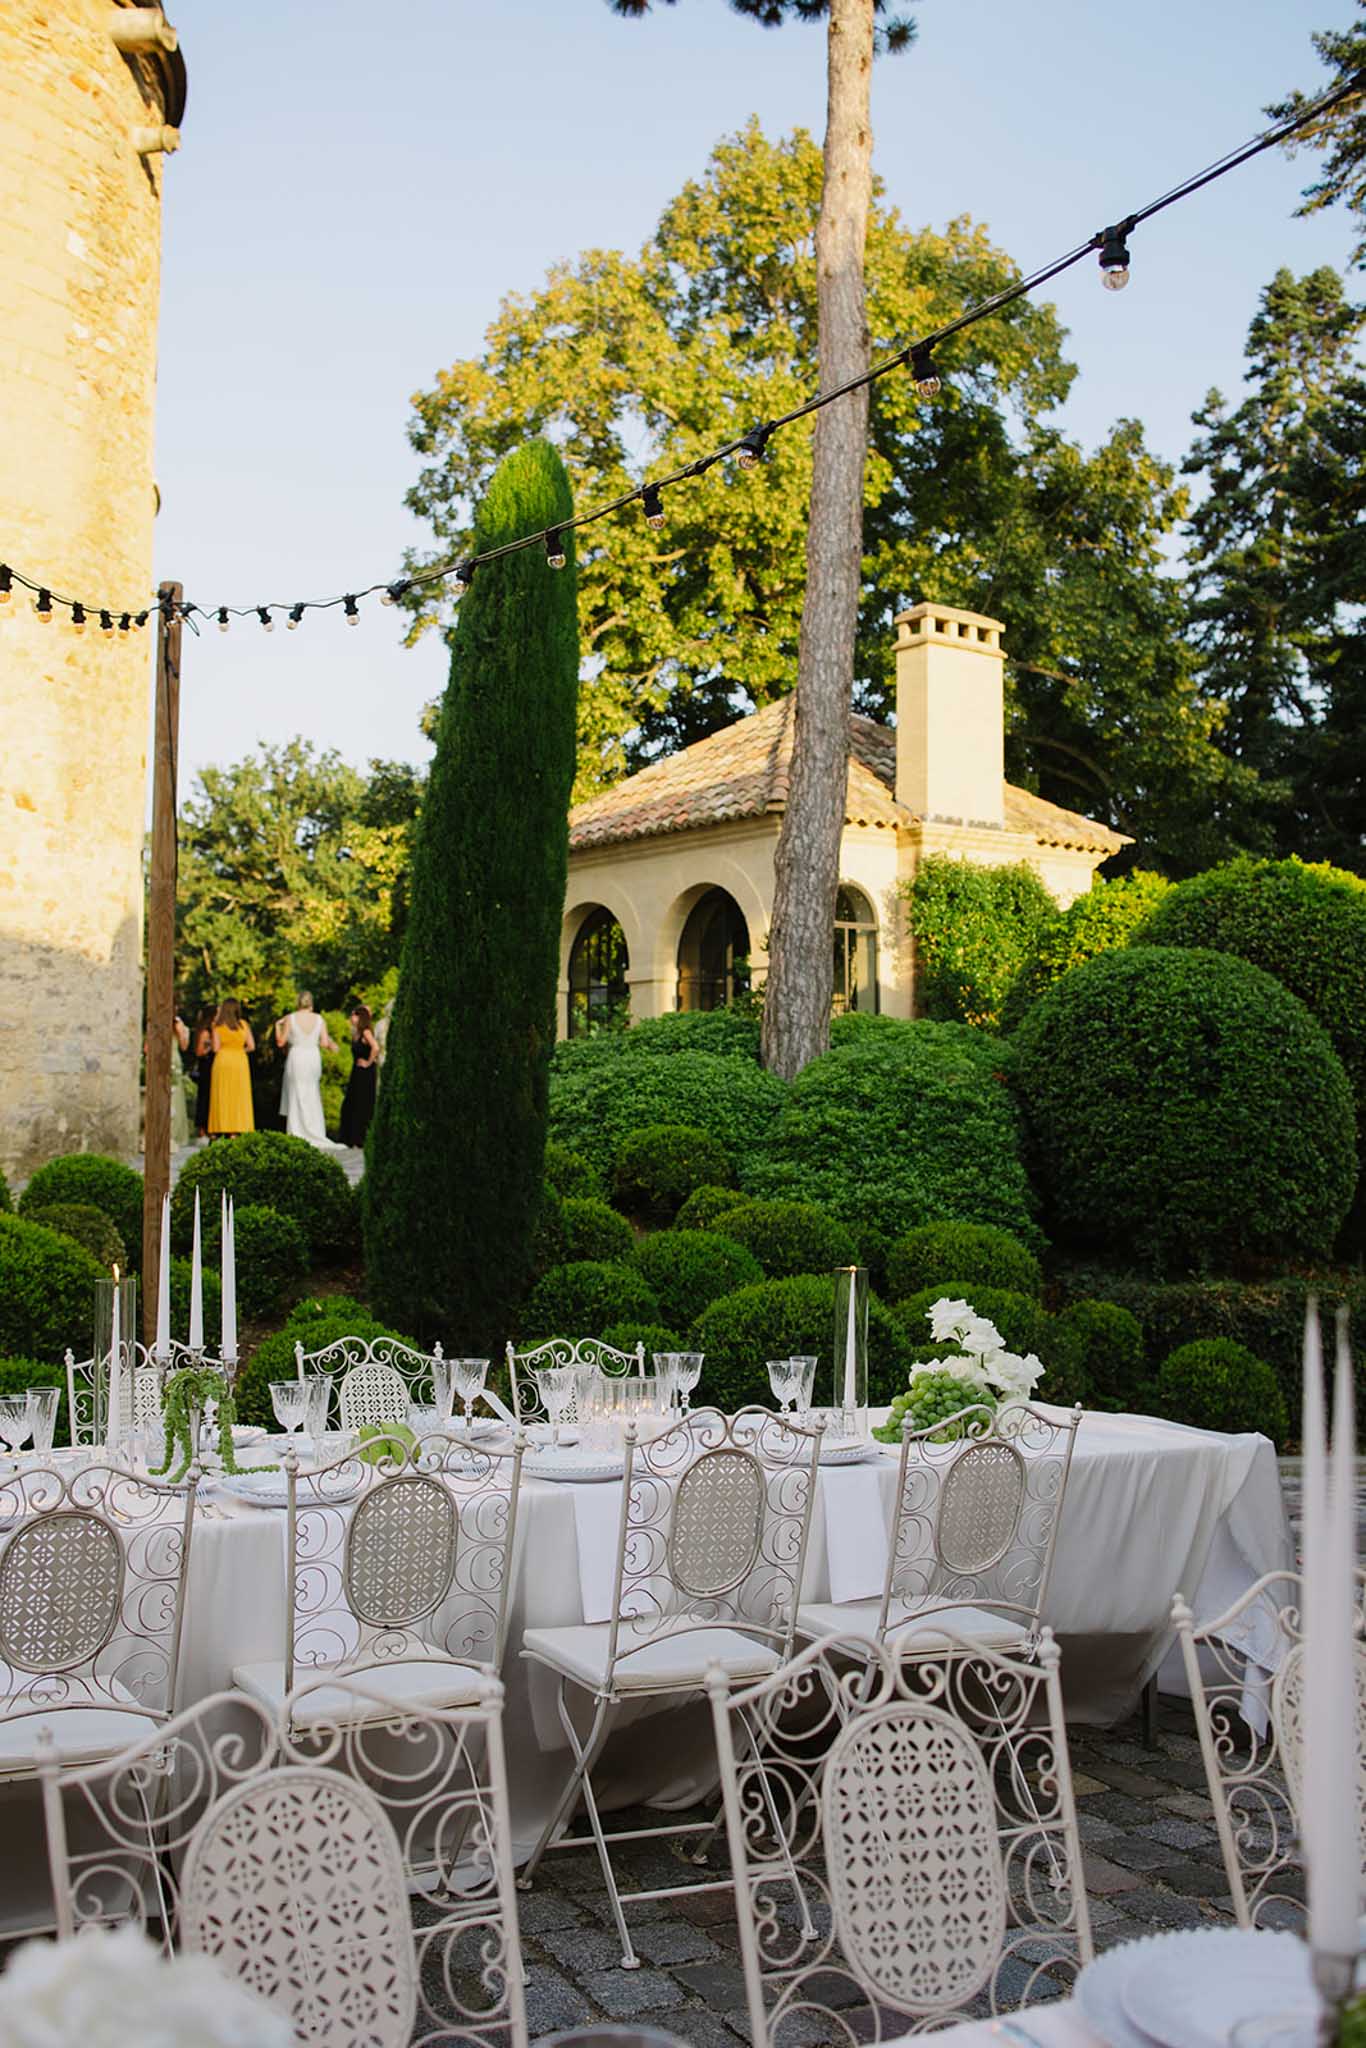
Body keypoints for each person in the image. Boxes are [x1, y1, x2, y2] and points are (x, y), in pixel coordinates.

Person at [274, 991, 339, 1150]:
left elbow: (281, 1042)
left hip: (297, 1057)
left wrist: (277, 1026)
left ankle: (297, 1132)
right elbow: (324, 1043)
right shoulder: (319, 1019)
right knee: (312, 1093)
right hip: (312, 1057)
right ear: (311, 1003)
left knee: (296, 1093)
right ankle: (315, 1130)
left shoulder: (291, 1018)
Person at [207, 997, 255, 1137]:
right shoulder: (243, 1025)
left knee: (222, 1095)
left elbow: (215, 1048)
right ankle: (237, 1129)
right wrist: (239, 1051)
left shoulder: (217, 1026)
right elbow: (251, 1046)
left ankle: (223, 1127)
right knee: (239, 1096)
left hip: (223, 1061)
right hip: (240, 1062)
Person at [339, 1002, 379, 1147]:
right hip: (356, 1072)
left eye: (354, 1015)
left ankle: (362, 1139)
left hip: (366, 1073)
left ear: (360, 1017)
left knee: (363, 1105)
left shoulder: (366, 1032)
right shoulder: (355, 1033)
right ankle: (350, 1138)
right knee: (351, 1103)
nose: (351, 1017)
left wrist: (368, 1062)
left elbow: (376, 1047)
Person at [191, 1005, 216, 1139]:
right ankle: (202, 1128)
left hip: (214, 1065)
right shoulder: (205, 1032)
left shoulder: (215, 1030)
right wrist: (210, 1046)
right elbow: (199, 1052)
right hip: (206, 1066)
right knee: (205, 1097)